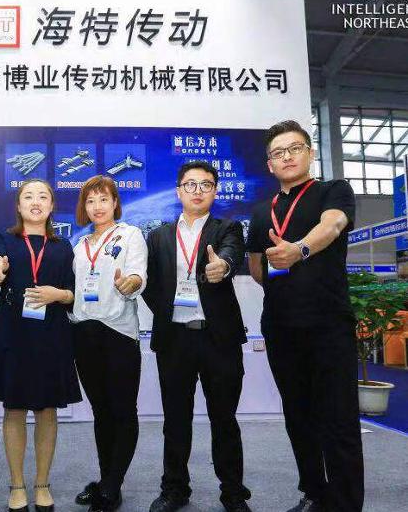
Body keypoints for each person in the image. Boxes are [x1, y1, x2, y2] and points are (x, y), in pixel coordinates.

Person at [246, 120, 363, 512]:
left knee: (339, 419)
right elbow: (258, 268)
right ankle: (315, 493)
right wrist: (279, 267)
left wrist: (299, 250)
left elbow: (333, 225)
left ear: (310, 153)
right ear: (270, 165)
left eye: (295, 148)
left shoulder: (333, 191)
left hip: (328, 323)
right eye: (278, 153)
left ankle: (345, 504)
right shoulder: (261, 212)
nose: (287, 157)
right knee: (298, 417)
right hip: (281, 327)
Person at [143, 161, 251, 512]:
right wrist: (167, 310)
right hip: (175, 341)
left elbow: (232, 253)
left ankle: (233, 493)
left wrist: (223, 265)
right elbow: (150, 285)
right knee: (175, 420)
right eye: (190, 184)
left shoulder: (228, 227)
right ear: (179, 191)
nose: (198, 190)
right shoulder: (158, 236)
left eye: (206, 184)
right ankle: (174, 489)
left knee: (224, 419)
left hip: (218, 339)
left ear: (215, 191)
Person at [0, 179, 82, 512]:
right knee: (14, 409)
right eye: (28, 196)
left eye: (42, 197)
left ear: (51, 206)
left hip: (51, 334)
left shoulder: (63, 246)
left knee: (47, 410)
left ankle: (42, 484)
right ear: (19, 205)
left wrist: (58, 294)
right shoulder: (4, 239)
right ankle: (16, 485)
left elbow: (73, 293)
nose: (35, 202)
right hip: (13, 333)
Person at [70, 175, 147, 512]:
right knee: (101, 412)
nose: (97, 206)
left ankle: (112, 487)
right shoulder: (79, 246)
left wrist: (131, 283)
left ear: (115, 202)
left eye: (104, 199)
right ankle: (106, 481)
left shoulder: (130, 235)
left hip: (119, 333)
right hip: (84, 334)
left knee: (123, 411)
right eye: (90, 201)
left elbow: (138, 274)